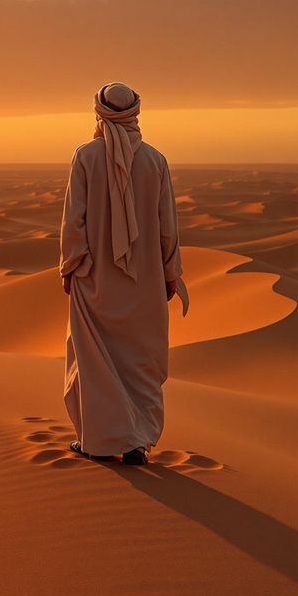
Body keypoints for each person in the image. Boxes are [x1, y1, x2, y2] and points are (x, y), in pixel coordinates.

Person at [58, 82, 188, 466]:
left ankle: (99, 440)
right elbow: (168, 228)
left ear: (98, 113)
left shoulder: (85, 157)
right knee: (139, 360)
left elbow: (73, 220)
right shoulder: (156, 161)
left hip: (95, 278)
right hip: (145, 281)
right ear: (135, 114)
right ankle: (137, 441)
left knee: (95, 359)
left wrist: (70, 266)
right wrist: (169, 274)